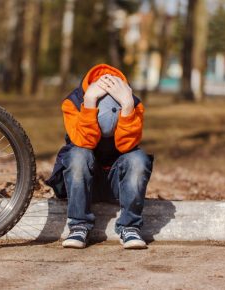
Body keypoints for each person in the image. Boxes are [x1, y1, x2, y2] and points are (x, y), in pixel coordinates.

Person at [46, 64, 153, 249]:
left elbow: (127, 144)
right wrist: (89, 102)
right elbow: (83, 142)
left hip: (118, 184)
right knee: (78, 155)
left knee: (138, 159)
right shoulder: (72, 102)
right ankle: (79, 225)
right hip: (81, 183)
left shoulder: (135, 104)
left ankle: (130, 227)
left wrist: (127, 106)